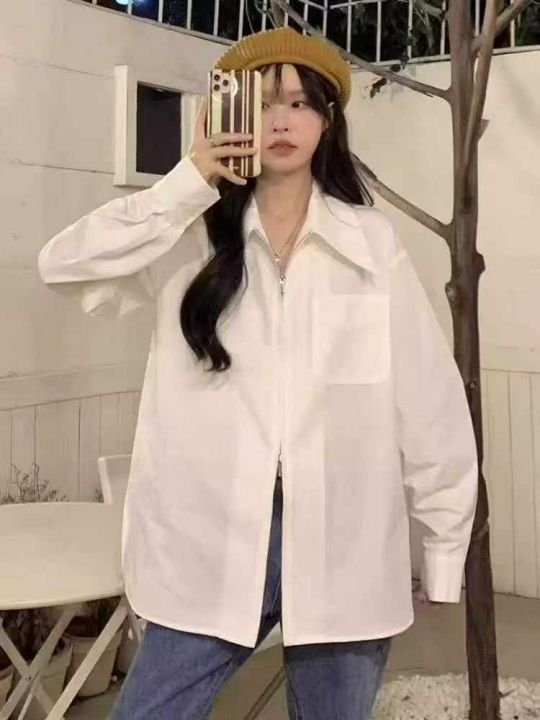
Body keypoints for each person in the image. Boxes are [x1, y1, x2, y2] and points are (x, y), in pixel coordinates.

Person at [37, 25, 478, 720]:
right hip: (208, 539)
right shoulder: (186, 237)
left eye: (301, 103)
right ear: (230, 114)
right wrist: (188, 182)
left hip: (343, 543)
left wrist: (444, 544)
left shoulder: (370, 245)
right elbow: (62, 267)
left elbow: (429, 400)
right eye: (264, 102)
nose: (281, 120)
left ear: (326, 122)